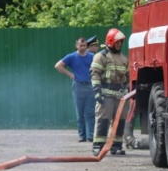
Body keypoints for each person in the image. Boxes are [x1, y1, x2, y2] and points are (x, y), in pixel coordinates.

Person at [90, 28, 129, 156]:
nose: (119, 44)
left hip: (120, 96)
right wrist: (97, 92)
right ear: (110, 41)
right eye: (117, 42)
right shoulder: (101, 56)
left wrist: (128, 92)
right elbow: (95, 75)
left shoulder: (123, 58)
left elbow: (128, 78)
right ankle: (98, 145)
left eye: (120, 42)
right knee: (103, 120)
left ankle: (116, 146)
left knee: (120, 121)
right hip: (105, 95)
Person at [55, 37, 95, 142]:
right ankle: (82, 136)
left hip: (90, 86)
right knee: (80, 113)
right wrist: (69, 74)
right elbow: (58, 66)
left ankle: (90, 136)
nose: (82, 47)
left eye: (84, 45)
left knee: (90, 112)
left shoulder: (92, 56)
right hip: (78, 85)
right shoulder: (72, 57)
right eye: (80, 45)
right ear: (76, 45)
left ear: (87, 46)